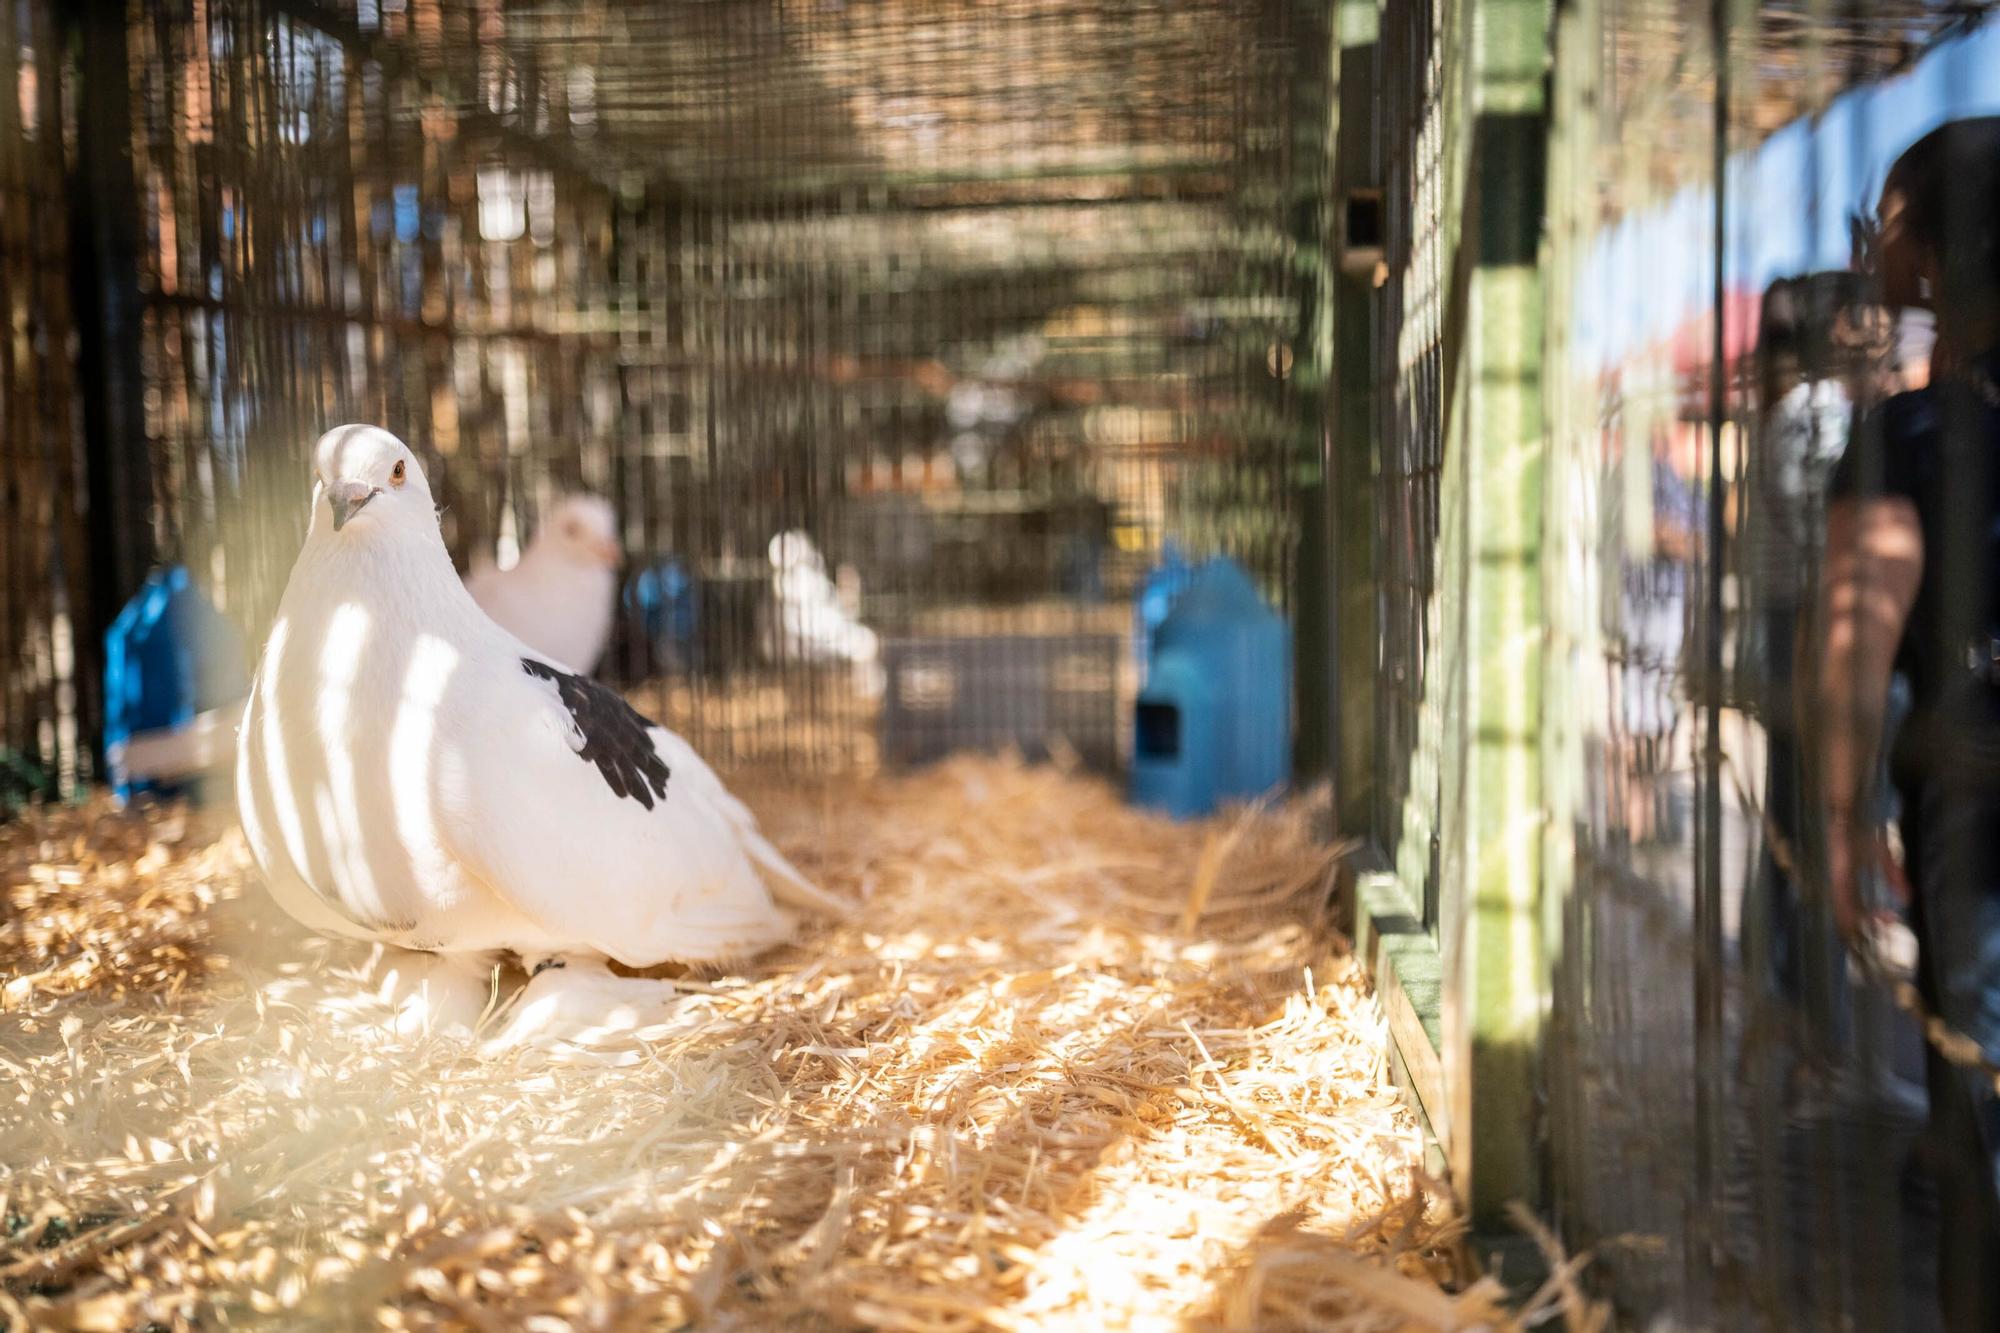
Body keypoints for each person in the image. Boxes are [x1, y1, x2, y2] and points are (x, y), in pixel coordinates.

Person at [1814, 116, 2000, 1327]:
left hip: (1971, 813)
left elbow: (1848, 645)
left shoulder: (1914, 437)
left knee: (1978, 1111)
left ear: (1929, 254)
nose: (1871, 250)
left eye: (1883, 223)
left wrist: (1836, 821)